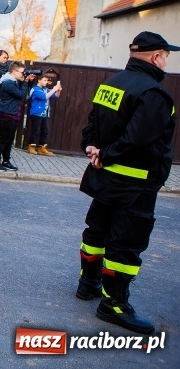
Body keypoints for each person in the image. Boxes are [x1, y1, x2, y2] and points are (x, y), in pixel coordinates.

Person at [75, 31, 177, 335]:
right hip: (135, 184)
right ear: (157, 56)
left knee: (97, 230)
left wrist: (92, 149)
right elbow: (139, 138)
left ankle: (88, 283)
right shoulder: (154, 94)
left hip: (105, 177)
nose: (166, 61)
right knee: (126, 243)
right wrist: (105, 154)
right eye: (166, 56)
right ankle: (114, 305)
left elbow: (91, 124)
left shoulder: (110, 84)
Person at [0, 61, 35, 172]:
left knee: (9, 139)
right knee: (3, 139)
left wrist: (28, 81)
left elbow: (26, 92)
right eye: (22, 72)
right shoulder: (8, 83)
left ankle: (6, 161)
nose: (23, 74)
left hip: (12, 113)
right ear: (14, 72)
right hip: (5, 113)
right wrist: (25, 82)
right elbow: (20, 95)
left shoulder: (14, 81)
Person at [26, 75, 61, 155]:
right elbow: (44, 97)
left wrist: (58, 90)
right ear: (39, 80)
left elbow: (55, 96)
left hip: (44, 113)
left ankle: (42, 147)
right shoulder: (35, 89)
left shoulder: (45, 89)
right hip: (36, 112)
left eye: (46, 80)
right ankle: (31, 146)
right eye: (44, 80)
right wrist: (54, 89)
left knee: (45, 130)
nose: (46, 82)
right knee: (35, 130)